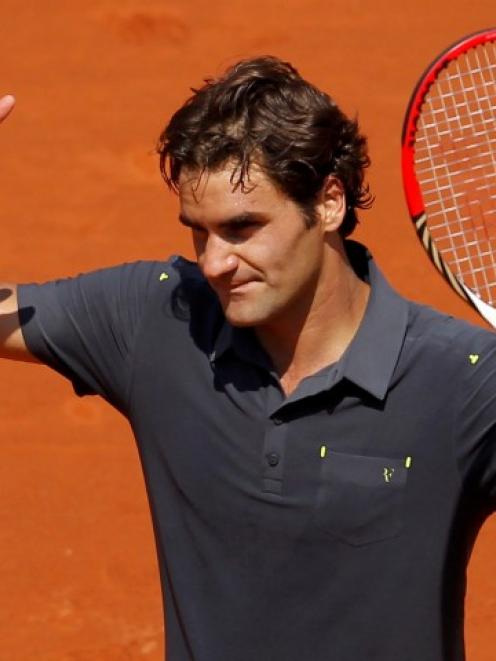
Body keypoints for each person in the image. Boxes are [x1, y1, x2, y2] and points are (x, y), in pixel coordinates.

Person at [1, 57, 496, 661]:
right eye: (199, 232)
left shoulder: (466, 383)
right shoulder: (158, 319)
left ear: (330, 202)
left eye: (242, 228)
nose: (214, 264)